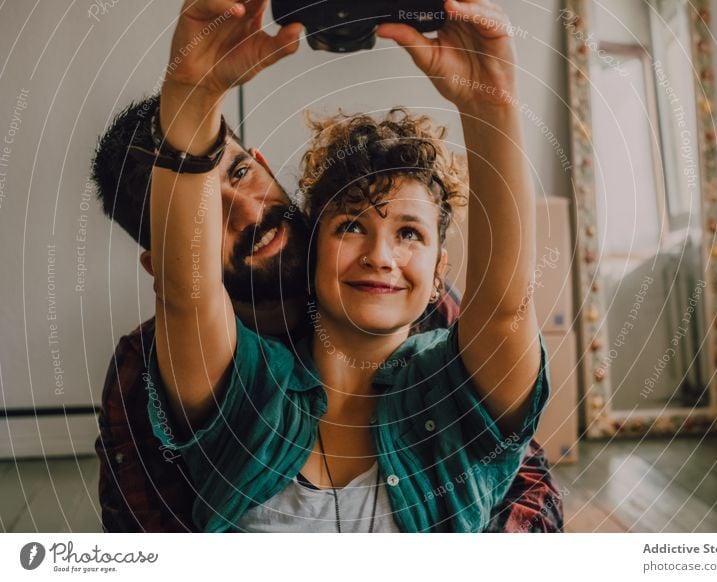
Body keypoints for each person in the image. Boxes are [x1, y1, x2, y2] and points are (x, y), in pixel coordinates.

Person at [95, 0, 561, 533]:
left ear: (439, 273)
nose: (380, 257)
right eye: (351, 226)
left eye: (409, 233)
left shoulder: (450, 380)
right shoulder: (238, 392)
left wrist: (492, 104)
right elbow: (189, 293)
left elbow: (506, 311)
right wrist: (192, 100)